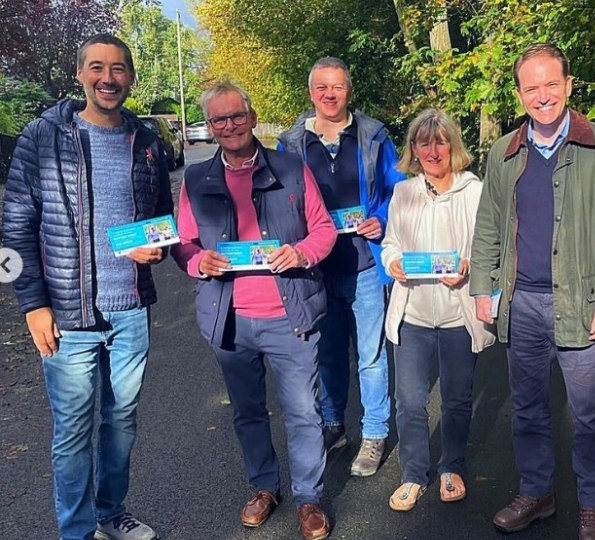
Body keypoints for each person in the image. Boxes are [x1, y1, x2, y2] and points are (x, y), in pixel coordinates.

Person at [2, 34, 170, 540]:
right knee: (72, 434)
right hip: (67, 318)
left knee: (121, 427)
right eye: (97, 67)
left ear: (131, 78)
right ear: (80, 74)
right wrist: (32, 305)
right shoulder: (41, 135)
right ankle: (75, 531)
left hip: (130, 311)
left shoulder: (146, 141)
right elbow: (11, 233)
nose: (108, 78)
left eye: (119, 69)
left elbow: (160, 213)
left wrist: (155, 242)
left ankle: (108, 514)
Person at [470, 43, 595, 540]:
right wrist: (483, 287)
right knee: (528, 408)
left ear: (567, 85)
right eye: (531, 87)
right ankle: (537, 492)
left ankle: (592, 506)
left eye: (551, 84)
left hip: (581, 304)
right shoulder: (504, 152)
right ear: (520, 94)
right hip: (522, 304)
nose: (542, 96)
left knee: (587, 414)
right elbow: (489, 227)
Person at [171, 80, 337, 540]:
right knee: (247, 412)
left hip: (291, 314)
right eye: (218, 120)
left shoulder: (290, 167)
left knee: (304, 411)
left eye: (237, 116)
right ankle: (265, 487)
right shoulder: (196, 179)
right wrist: (198, 261)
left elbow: (323, 229)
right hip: (230, 319)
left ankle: (309, 498)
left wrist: (301, 253)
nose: (229, 126)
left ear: (253, 115)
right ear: (209, 126)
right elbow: (182, 244)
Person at [278, 56, 405, 476]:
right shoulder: (291, 143)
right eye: (321, 87)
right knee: (328, 353)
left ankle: (373, 433)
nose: (329, 95)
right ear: (310, 91)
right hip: (314, 269)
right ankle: (335, 424)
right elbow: (281, 200)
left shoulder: (372, 135)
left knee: (369, 356)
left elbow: (395, 188)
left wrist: (381, 218)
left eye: (337, 87)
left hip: (364, 265)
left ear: (349, 91)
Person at [381, 109, 496, 511]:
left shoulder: (474, 191)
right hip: (412, 314)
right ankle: (413, 474)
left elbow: (486, 247)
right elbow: (390, 243)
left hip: (456, 317)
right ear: (413, 149)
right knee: (410, 401)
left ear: (453, 146)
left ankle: (452, 467)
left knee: (457, 400)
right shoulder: (404, 193)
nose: (432, 150)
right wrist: (393, 262)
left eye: (440, 141)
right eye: (424, 142)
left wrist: (467, 264)